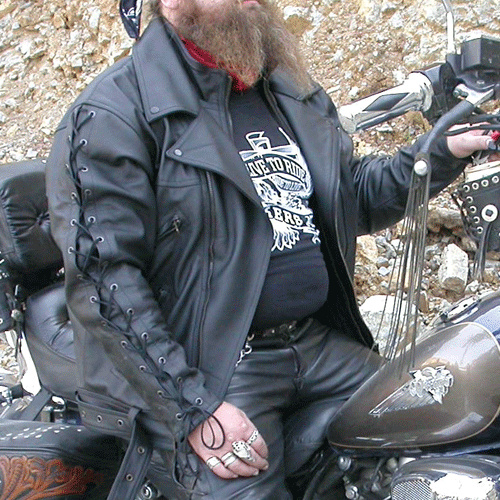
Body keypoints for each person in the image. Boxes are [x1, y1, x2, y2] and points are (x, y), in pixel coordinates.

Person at [46, 0, 496, 498]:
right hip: (213, 367)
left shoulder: (284, 90)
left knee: (449, 435)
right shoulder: (115, 113)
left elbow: (348, 198)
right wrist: (193, 407)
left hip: (315, 343)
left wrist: (440, 152)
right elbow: (105, 281)